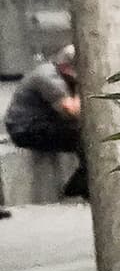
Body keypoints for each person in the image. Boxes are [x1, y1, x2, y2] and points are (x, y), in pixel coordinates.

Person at [9, 47, 84, 200]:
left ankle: (81, 181)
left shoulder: (59, 74)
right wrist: (80, 84)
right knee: (86, 138)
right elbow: (74, 111)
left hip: (47, 123)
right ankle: (80, 185)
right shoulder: (48, 77)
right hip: (26, 129)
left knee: (87, 136)